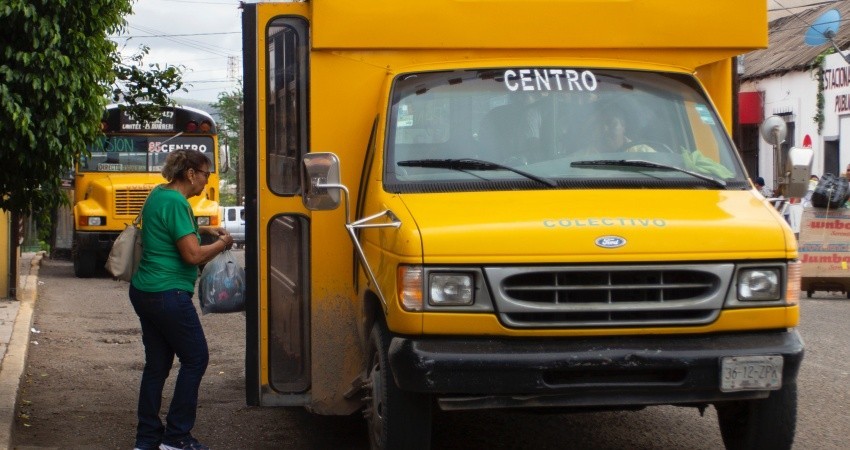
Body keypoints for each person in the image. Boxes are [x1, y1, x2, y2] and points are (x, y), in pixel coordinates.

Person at [129, 149, 234, 450]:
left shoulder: (159, 195)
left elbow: (165, 228)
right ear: (190, 173)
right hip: (168, 293)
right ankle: (176, 437)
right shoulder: (177, 202)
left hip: (145, 291)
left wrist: (203, 229)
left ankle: (147, 439)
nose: (206, 180)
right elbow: (192, 255)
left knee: (157, 365)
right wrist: (222, 243)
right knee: (196, 358)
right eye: (205, 173)